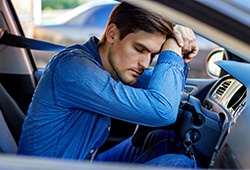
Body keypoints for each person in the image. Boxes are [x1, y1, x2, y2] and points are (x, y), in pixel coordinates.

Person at [17, 2, 199, 168]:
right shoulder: (75, 68)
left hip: (85, 162)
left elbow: (168, 89)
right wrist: (173, 49)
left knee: (167, 139)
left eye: (153, 55)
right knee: (178, 164)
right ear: (112, 34)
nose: (145, 63)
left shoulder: (116, 66)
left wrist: (176, 51)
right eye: (139, 49)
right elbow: (162, 110)